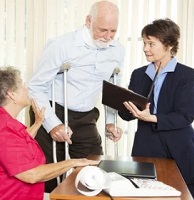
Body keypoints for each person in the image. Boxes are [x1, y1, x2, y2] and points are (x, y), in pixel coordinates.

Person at [0, 66, 99, 200]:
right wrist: (74, 161)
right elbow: (32, 174)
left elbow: (16, 145)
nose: (27, 89)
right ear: (11, 94)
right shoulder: (2, 129)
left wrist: (38, 123)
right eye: (22, 85)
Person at [28, 0, 125, 192]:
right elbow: (36, 86)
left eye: (113, 31)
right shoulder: (61, 45)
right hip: (53, 111)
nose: (108, 36)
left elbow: (113, 88)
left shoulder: (117, 50)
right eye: (102, 30)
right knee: (50, 177)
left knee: (93, 171)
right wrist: (52, 123)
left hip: (86, 116)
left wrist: (111, 122)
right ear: (88, 21)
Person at [119, 18, 194, 198]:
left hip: (180, 149)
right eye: (144, 43)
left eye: (151, 43)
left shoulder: (187, 75)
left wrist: (152, 118)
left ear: (170, 44)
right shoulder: (139, 74)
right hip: (146, 148)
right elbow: (126, 114)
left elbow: (185, 116)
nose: (145, 48)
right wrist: (124, 105)